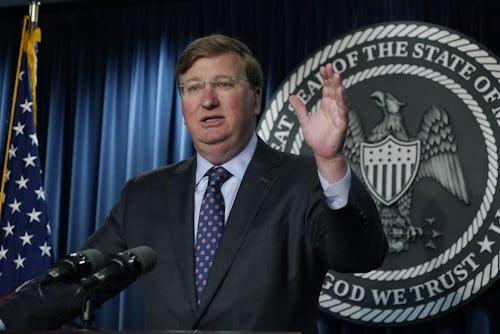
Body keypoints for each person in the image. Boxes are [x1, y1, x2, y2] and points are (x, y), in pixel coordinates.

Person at [0, 34, 387, 334]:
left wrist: (331, 161)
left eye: (223, 83)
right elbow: (80, 285)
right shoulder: (145, 194)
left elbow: (358, 256)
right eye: (193, 87)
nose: (208, 100)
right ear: (183, 108)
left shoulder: (302, 180)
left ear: (255, 99)